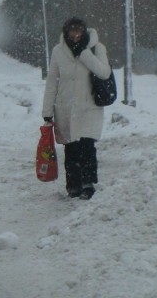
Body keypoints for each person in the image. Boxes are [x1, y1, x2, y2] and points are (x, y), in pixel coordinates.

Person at [41, 17, 112, 200]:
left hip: (89, 107)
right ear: (66, 32)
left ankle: (88, 183)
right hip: (65, 108)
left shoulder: (97, 48)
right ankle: (73, 185)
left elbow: (104, 72)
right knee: (71, 148)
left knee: (87, 146)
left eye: (79, 30)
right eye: (72, 31)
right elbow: (52, 82)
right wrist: (47, 111)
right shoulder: (58, 52)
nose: (75, 34)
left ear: (84, 31)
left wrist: (85, 54)